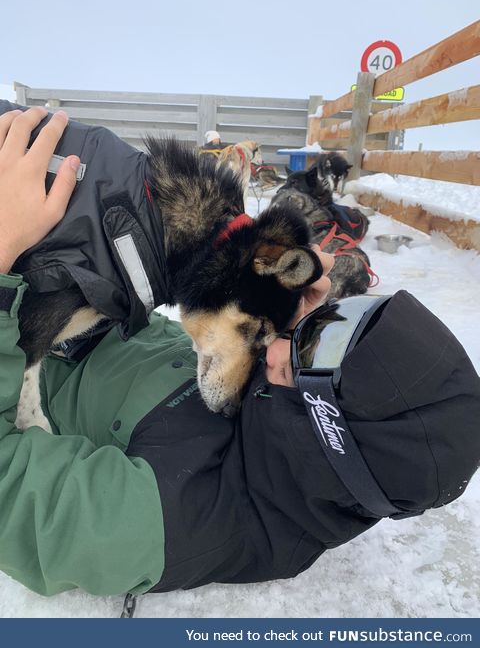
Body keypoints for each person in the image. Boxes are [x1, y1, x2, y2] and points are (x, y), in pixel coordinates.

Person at [0, 108, 479, 603]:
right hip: (66, 286)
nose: (276, 350)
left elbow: (8, 492)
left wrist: (2, 243)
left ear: (335, 438)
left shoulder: (182, 515)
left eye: (306, 362)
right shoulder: (280, 426)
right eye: (311, 335)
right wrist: (270, 275)